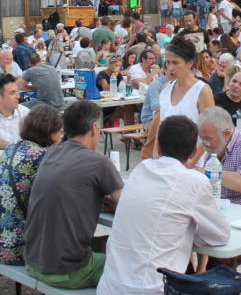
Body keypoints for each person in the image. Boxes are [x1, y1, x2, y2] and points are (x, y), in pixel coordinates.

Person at [98, 115, 230, 295]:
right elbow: (220, 235)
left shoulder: (140, 170)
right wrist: (186, 231)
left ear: (157, 146)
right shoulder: (194, 181)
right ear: (193, 154)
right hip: (153, 289)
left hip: (109, 287)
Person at [24, 101, 123, 288]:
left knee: (99, 244)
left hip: (33, 260)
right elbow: (127, 206)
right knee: (129, 265)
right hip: (69, 272)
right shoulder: (99, 162)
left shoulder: (51, 153)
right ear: (94, 128)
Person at [0, 105, 64, 266]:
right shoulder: (43, 156)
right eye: (60, 131)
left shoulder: (12, 147)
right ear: (50, 132)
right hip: (12, 247)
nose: (61, 136)